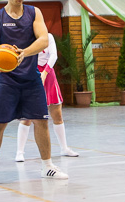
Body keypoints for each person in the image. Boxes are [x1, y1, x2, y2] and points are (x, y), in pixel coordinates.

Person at [0, 0, 68, 186]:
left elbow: (44, 40)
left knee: (41, 121)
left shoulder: (34, 13)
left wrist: (24, 53)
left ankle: (47, 166)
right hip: (4, 80)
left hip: (30, 78)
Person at [16, 32, 79, 161]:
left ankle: (64, 148)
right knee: (27, 117)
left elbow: (53, 55)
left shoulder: (48, 37)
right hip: (31, 74)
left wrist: (45, 73)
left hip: (48, 74)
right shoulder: (24, 37)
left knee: (57, 114)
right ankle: (19, 152)